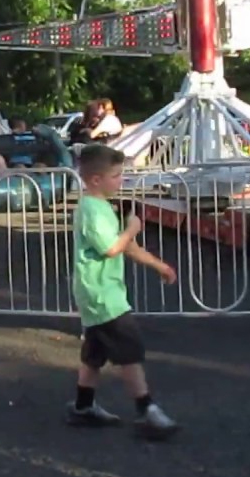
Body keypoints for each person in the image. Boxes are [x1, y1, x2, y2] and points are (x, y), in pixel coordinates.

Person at [66, 144, 180, 441]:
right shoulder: (91, 209)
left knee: (96, 351)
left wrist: (159, 265)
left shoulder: (102, 207)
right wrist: (132, 228)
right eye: (116, 176)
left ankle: (83, 405)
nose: (121, 181)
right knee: (129, 350)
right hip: (103, 293)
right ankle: (146, 409)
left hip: (100, 292)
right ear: (95, 180)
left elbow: (126, 247)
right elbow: (112, 246)